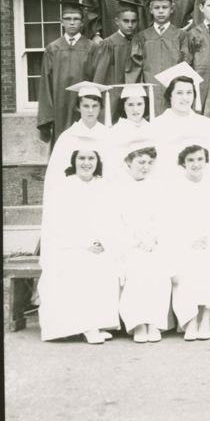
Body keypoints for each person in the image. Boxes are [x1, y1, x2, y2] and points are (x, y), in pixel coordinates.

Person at [38, 140, 122, 343]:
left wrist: (103, 241)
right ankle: (86, 326)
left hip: (100, 245)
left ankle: (96, 322)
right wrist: (84, 244)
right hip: (69, 246)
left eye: (91, 158)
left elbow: (112, 219)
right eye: (81, 158)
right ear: (73, 161)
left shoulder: (104, 186)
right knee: (81, 265)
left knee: (107, 263)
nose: (86, 163)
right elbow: (58, 224)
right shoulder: (64, 187)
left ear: (98, 161)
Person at [117, 141, 173, 343]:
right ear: (129, 162)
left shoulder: (157, 188)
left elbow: (164, 218)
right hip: (129, 244)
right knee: (136, 270)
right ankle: (138, 323)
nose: (145, 167)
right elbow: (119, 221)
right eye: (141, 162)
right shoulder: (120, 189)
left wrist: (153, 238)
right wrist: (136, 240)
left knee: (158, 271)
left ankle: (154, 322)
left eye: (149, 162)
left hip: (154, 243)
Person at [166, 143, 210, 341]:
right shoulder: (175, 189)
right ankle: (190, 321)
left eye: (200, 159)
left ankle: (205, 319)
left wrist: (209, 239)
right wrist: (189, 241)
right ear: (183, 163)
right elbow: (171, 222)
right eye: (190, 160)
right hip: (183, 243)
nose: (196, 164)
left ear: (206, 161)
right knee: (185, 267)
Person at [37, 1, 94, 148]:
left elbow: (97, 79)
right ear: (61, 22)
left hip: (85, 105)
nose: (72, 22)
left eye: (76, 19)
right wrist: (47, 116)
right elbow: (45, 85)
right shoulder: (53, 48)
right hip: (59, 107)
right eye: (68, 19)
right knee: (62, 145)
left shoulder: (92, 47)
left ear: (82, 22)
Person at [46, 83, 112, 196]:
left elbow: (114, 171)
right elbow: (56, 175)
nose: (90, 110)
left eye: (95, 106)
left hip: (102, 195)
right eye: (86, 106)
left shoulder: (109, 136)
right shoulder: (67, 137)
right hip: (74, 194)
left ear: (100, 107)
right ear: (78, 107)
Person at [131, 0, 187, 116]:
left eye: (165, 7)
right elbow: (135, 70)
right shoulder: (141, 37)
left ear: (172, 9)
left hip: (174, 91)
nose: (161, 11)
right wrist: (139, 94)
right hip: (150, 91)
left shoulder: (181, 36)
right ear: (150, 9)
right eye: (156, 8)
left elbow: (186, 64)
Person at [149, 62, 210, 161]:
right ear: (170, 95)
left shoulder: (205, 123)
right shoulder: (158, 125)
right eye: (179, 93)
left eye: (189, 92)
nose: (185, 98)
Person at [89, 0, 142, 119]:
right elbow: (99, 78)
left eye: (134, 21)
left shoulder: (139, 42)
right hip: (114, 98)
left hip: (134, 99)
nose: (130, 25)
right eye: (126, 21)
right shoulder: (108, 44)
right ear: (117, 21)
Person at [105, 83, 156, 166]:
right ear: (123, 106)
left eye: (139, 104)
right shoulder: (115, 131)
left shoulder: (153, 129)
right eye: (130, 104)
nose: (135, 109)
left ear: (145, 105)